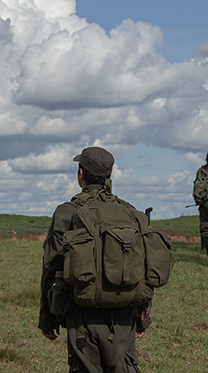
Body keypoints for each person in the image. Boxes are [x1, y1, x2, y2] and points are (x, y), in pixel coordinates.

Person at [40, 147, 148, 372]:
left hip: (82, 315)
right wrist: (142, 316)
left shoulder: (67, 212)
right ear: (109, 175)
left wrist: (47, 319)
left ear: (81, 174)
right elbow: (142, 266)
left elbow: (51, 267)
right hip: (125, 313)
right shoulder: (130, 212)